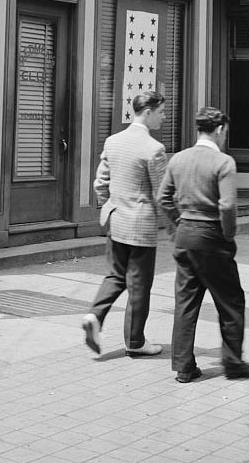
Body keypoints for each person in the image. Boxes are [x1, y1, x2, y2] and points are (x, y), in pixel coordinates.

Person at [157, 106, 249, 383]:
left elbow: (163, 197)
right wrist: (228, 234)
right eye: (224, 131)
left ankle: (184, 367)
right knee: (230, 301)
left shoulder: (178, 159)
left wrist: (177, 223)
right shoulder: (223, 162)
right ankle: (233, 362)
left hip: (185, 235)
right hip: (212, 236)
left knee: (186, 302)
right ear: (219, 130)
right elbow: (227, 205)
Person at [82, 91, 167, 357]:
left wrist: (110, 204)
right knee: (140, 285)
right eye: (162, 112)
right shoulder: (154, 149)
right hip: (141, 225)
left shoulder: (113, 141)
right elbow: (161, 193)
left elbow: (100, 183)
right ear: (148, 112)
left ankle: (95, 315)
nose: (164, 118)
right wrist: (170, 222)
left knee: (115, 275)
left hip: (116, 219)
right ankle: (135, 342)